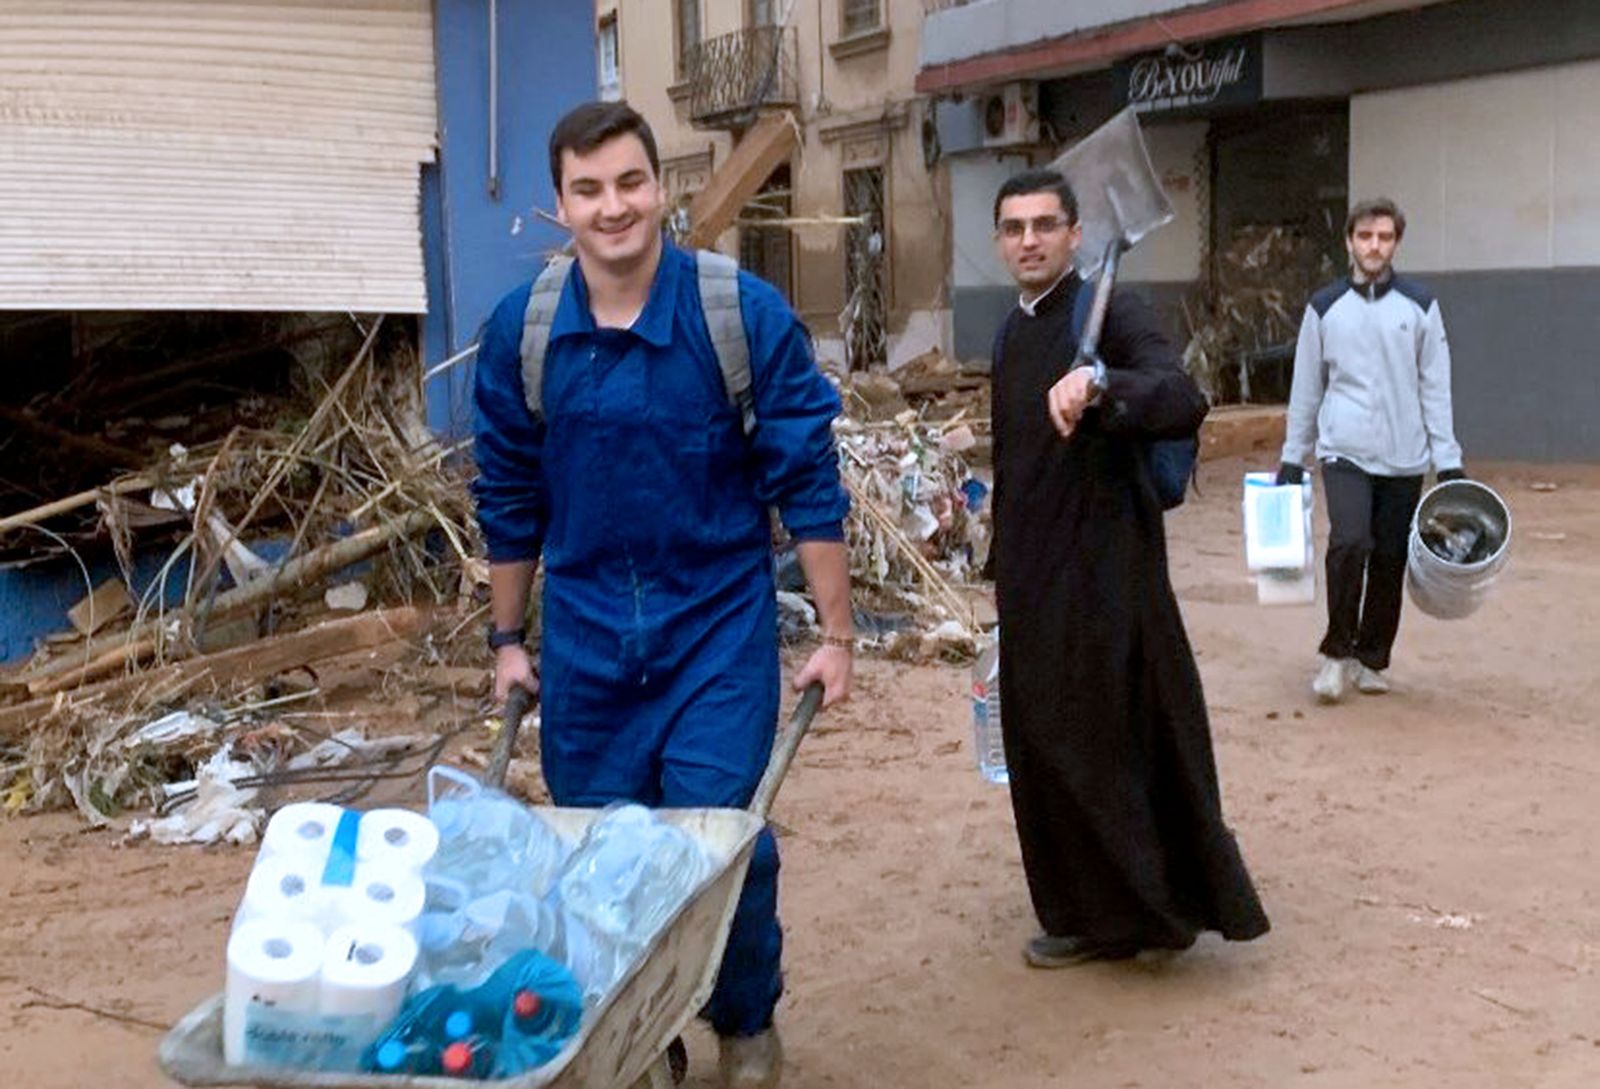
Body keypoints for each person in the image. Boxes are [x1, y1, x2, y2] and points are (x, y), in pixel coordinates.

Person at [471, 101, 853, 1089]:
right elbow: (509, 499)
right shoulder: (526, 334)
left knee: (722, 850)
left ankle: (744, 1025)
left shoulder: (736, 314)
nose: (613, 208)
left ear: (661, 186)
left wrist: (837, 633)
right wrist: (507, 639)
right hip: (588, 638)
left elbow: (805, 478)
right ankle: (639, 1036)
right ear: (560, 207)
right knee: (601, 862)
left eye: (630, 183)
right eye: (588, 190)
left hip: (715, 631)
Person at [987, 168, 1269, 967]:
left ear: (1077, 235)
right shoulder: (1013, 331)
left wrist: (1103, 383)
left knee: (1111, 742)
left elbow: (1181, 396)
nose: (1030, 240)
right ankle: (1082, 912)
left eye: (1046, 225)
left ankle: (1149, 914)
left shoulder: (1107, 311)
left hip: (1109, 575)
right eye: (1015, 227)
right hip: (1032, 578)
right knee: (1043, 745)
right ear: (999, 241)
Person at [1277, 197, 1466, 704]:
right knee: (1350, 542)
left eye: (1384, 237)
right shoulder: (1324, 307)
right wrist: (1293, 457)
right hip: (1344, 449)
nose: (1374, 245)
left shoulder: (1421, 306)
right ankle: (1336, 655)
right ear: (1349, 242)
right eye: (1365, 236)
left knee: (1388, 556)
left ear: (1395, 243)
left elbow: (1435, 385)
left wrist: (1448, 461)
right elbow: (1307, 388)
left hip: (1406, 455)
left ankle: (1371, 658)